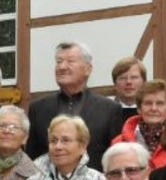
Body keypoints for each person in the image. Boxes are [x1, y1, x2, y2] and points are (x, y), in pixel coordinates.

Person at [27, 41, 122, 170]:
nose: (62, 67)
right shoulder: (38, 109)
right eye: (59, 61)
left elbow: (116, 158)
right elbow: (32, 157)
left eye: (70, 61)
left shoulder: (109, 109)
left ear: (88, 69)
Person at [112, 79, 166, 169]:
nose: (153, 108)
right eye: (148, 103)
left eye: (160, 103)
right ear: (139, 109)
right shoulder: (119, 143)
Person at [111, 56, 147, 120]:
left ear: (144, 82)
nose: (128, 82)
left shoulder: (152, 113)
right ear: (115, 84)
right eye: (123, 78)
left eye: (134, 77)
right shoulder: (106, 114)